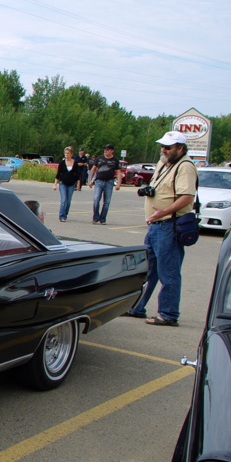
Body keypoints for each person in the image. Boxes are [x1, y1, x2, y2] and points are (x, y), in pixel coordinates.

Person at [123, 131, 198, 327]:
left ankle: (168, 314)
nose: (163, 150)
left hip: (169, 225)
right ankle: (137, 307)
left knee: (169, 272)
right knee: (148, 270)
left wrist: (163, 211)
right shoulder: (164, 163)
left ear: (180, 148)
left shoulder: (185, 167)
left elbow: (187, 197)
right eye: (162, 146)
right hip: (156, 224)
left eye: (168, 147)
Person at [89, 144, 121, 224]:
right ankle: (96, 217)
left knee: (106, 202)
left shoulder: (115, 160)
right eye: (105, 149)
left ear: (112, 151)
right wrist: (90, 180)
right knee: (96, 199)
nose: (106, 151)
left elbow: (119, 172)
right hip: (99, 181)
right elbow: (93, 169)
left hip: (109, 182)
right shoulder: (100, 158)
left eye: (108, 149)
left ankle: (102, 218)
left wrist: (118, 184)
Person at [53, 146, 80, 222]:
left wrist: (78, 184)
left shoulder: (75, 163)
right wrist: (55, 184)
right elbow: (58, 174)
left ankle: (65, 214)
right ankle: (62, 216)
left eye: (68, 153)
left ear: (71, 154)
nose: (67, 154)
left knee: (68, 201)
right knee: (64, 200)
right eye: (66, 153)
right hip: (63, 183)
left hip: (71, 184)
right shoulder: (62, 163)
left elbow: (78, 175)